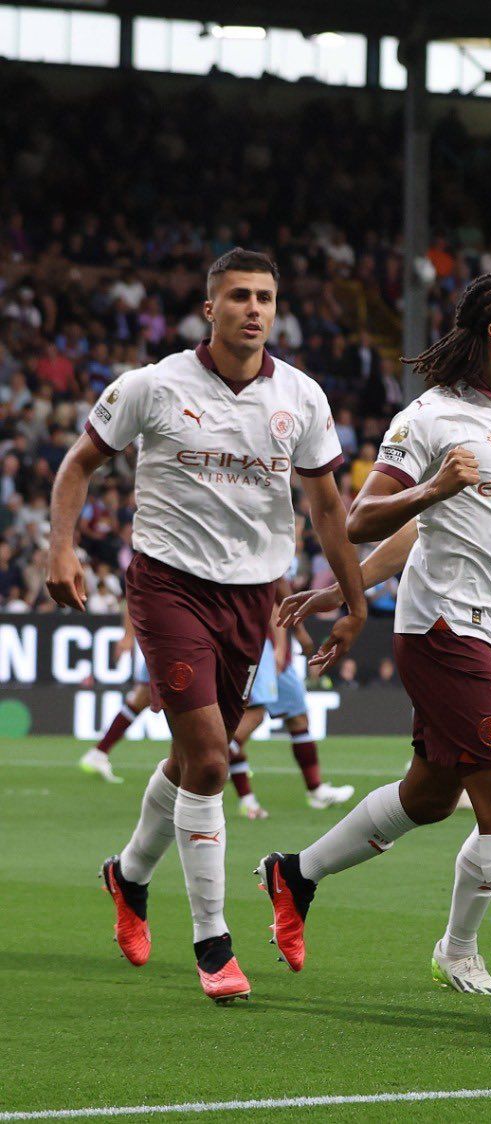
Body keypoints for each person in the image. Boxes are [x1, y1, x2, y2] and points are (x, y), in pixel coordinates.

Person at [257, 273, 491, 1027]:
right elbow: (361, 518)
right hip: (444, 633)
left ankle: (294, 874)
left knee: (428, 797)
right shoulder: (428, 418)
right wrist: (430, 491)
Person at [47, 248, 368, 1004]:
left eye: (265, 296)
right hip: (167, 586)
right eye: (239, 297)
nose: (254, 309)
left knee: (199, 761)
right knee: (214, 760)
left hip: (252, 597)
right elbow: (76, 465)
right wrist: (61, 548)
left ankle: (127, 876)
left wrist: (353, 603)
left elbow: (326, 508)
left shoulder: (302, 397)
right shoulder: (153, 386)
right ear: (209, 307)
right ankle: (213, 941)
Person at [227, 575, 357, 821]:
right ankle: (218, 765)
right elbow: (275, 600)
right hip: (260, 644)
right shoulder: (268, 554)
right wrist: (287, 641)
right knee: (252, 715)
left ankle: (315, 790)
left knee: (297, 717)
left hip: (275, 645)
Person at [79, 600, 147, 784]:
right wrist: (127, 636)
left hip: (176, 643)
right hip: (175, 645)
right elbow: (132, 595)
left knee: (142, 699)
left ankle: (99, 752)